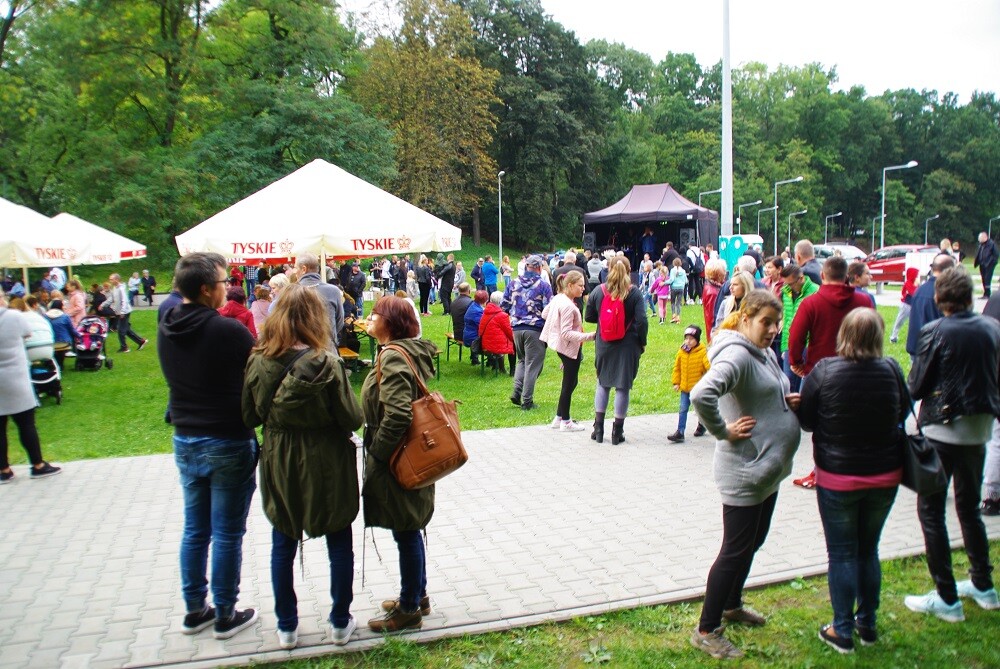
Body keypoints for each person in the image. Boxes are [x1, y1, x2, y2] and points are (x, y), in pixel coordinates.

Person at [242, 284, 363, 649]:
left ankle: (286, 626)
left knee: (284, 537)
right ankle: (340, 621)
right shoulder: (327, 363)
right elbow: (353, 418)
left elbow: (248, 415)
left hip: (280, 456)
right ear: (316, 319)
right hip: (326, 457)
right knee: (339, 537)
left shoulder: (257, 360)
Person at [689, 290, 801, 660]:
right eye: (766, 322)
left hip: (767, 470)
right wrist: (724, 431)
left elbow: (762, 391)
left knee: (754, 541)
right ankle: (707, 629)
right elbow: (702, 394)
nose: (773, 329)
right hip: (745, 470)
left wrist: (783, 402)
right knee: (734, 551)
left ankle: (732, 604)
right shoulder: (737, 354)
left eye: (777, 322)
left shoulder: (763, 351)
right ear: (746, 318)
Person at [157, 252, 259, 640]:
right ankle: (226, 613)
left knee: (195, 530)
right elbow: (258, 370)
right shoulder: (227, 331)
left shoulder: (167, 325)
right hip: (227, 438)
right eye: (222, 281)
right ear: (205, 289)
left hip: (185, 437)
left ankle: (195, 608)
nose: (227, 287)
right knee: (228, 532)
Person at [798, 309, 905, 653]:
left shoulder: (825, 371)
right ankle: (867, 623)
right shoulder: (891, 369)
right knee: (868, 549)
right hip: (884, 475)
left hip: (838, 477)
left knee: (843, 553)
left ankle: (843, 629)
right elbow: (902, 411)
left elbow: (808, 421)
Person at [904, 266, 1000, 622]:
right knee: (969, 508)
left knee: (931, 511)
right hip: (979, 429)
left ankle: (946, 596)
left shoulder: (935, 331)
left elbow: (916, 386)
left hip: (943, 429)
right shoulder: (993, 329)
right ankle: (983, 585)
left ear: (940, 297)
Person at [360, 296, 440, 633]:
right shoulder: (404, 351)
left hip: (398, 455)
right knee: (410, 525)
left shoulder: (393, 357)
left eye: (375, 313)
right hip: (411, 452)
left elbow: (397, 414)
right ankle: (417, 595)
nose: (368, 317)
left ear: (389, 322)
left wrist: (378, 454)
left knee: (405, 530)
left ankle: (409, 610)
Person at [584, 256, 647, 445]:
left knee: (603, 383)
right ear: (629, 270)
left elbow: (589, 316)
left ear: (608, 269)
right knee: (622, 386)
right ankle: (617, 432)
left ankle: (598, 429)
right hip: (627, 344)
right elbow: (642, 320)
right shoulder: (634, 293)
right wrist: (641, 341)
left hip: (604, 343)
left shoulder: (598, 291)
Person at [0, 289, 61, 483]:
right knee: (26, 423)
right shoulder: (13, 316)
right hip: (15, 376)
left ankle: (4, 469)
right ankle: (37, 465)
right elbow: (27, 334)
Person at [540, 271, 596, 431]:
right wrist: (591, 336)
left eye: (584, 286)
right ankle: (566, 421)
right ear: (570, 285)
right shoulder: (568, 306)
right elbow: (565, 333)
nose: (583, 289)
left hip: (562, 347)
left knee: (570, 382)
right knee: (569, 383)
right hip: (568, 348)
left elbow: (545, 313)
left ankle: (559, 417)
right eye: (580, 286)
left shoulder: (559, 298)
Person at [502, 255, 553, 412]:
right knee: (532, 365)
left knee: (522, 361)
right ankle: (527, 401)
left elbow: (504, 306)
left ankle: (516, 393)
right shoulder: (543, 285)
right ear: (539, 268)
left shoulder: (512, 283)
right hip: (535, 329)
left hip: (516, 328)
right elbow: (548, 309)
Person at [905, 254, 956, 360]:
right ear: (950, 270)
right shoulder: (945, 292)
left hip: (917, 347)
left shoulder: (920, 290)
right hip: (934, 352)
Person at [779, 264, 817, 393]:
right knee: (788, 384)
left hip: (807, 346)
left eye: (790, 284)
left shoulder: (815, 292)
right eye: (786, 284)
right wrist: (785, 347)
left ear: (801, 278)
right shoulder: (786, 292)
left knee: (804, 387)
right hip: (789, 345)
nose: (788, 287)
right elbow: (786, 320)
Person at [667, 325, 709, 443]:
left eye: (691, 339)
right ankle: (680, 432)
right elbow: (677, 368)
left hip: (698, 389)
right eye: (686, 338)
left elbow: (708, 366)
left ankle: (702, 425)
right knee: (683, 409)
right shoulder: (682, 351)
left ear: (697, 340)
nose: (688, 341)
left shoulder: (702, 352)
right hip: (685, 388)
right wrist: (676, 382)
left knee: (700, 409)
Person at [295, 253, 344, 346]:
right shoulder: (333, 291)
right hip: (328, 348)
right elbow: (339, 322)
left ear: (303, 269)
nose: (294, 271)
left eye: (295, 268)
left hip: (301, 352)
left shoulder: (290, 292)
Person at [108, 273, 148, 352]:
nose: (110, 281)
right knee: (126, 329)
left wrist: (122, 312)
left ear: (117, 279)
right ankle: (141, 341)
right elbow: (111, 298)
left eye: (111, 279)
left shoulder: (121, 288)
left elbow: (125, 301)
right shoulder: (115, 288)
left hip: (124, 312)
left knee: (120, 330)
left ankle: (124, 347)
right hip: (120, 312)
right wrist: (103, 304)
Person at [480, 291, 515, 375]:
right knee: (514, 344)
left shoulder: (485, 311)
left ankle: (497, 366)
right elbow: (509, 332)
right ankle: (512, 370)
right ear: (501, 301)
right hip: (494, 345)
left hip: (485, 342)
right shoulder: (502, 315)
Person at [889, 267, 919, 344]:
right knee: (900, 320)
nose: (917, 276)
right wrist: (917, 286)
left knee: (914, 322)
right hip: (906, 305)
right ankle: (893, 336)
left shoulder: (915, 283)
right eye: (916, 275)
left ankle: (914, 337)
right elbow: (913, 292)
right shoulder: (908, 282)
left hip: (913, 305)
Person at [45, 299, 76, 370]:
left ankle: (52, 363)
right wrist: (79, 336)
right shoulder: (65, 317)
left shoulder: (45, 316)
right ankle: (60, 364)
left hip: (49, 342)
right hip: (64, 342)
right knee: (62, 348)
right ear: (61, 307)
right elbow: (72, 330)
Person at [701, 259, 727, 342]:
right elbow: (712, 316)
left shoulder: (712, 287)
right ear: (719, 274)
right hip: (715, 332)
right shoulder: (713, 292)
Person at [463, 290, 487, 366]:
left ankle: (474, 358)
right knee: (493, 338)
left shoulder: (473, 305)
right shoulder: (478, 311)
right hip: (473, 338)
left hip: (468, 334)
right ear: (484, 300)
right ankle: (492, 361)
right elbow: (483, 326)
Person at [974, 231, 997, 299]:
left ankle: (987, 294)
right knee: (983, 279)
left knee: (987, 279)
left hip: (989, 265)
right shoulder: (981, 244)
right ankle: (985, 293)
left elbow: (996, 255)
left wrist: (991, 263)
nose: (979, 239)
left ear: (985, 237)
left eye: (980, 238)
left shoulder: (991, 244)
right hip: (982, 265)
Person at [668, 257, 688, 324]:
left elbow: (671, 280)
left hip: (674, 288)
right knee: (678, 303)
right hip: (681, 288)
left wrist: (664, 283)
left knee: (673, 302)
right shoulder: (683, 271)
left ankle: (673, 315)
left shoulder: (672, 270)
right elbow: (686, 281)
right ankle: (678, 317)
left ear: (673, 263)